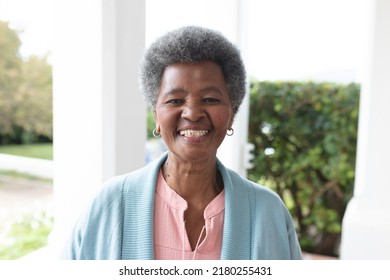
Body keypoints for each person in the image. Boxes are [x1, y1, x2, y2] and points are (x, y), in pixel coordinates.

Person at [61, 26, 303, 260]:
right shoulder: (110, 204)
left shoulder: (268, 212)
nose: (192, 113)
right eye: (175, 100)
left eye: (210, 99)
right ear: (156, 115)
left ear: (232, 113)